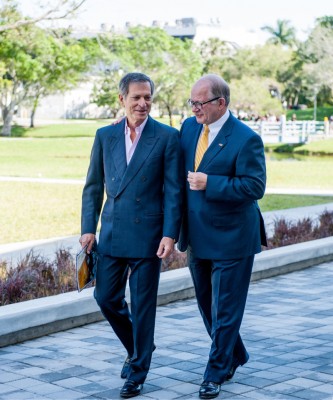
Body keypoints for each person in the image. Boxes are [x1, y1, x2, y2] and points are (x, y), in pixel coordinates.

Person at [80, 72, 182, 398]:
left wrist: (170, 234)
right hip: (111, 232)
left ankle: (138, 371)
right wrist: (87, 228)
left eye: (147, 97)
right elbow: (93, 187)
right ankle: (140, 345)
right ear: (121, 99)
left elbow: (174, 191)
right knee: (105, 298)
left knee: (142, 305)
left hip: (149, 236)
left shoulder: (166, 137)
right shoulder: (104, 136)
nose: (142, 103)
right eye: (136, 97)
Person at [178, 74, 267, 399]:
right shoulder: (189, 128)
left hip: (233, 238)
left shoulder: (246, 139)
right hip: (197, 237)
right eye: (192, 102)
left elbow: (255, 187)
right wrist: (127, 125)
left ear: (221, 103)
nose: (195, 109)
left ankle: (215, 373)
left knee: (226, 309)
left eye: (200, 103)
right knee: (208, 306)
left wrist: (210, 183)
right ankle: (235, 353)